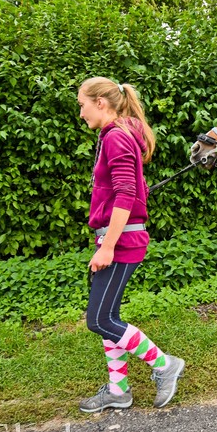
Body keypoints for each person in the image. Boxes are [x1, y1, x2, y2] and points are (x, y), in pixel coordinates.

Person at [77, 76, 184, 412]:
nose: (81, 113)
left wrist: (107, 246)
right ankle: (118, 390)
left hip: (121, 241)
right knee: (108, 316)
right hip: (117, 237)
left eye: (82, 105)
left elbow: (125, 194)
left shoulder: (116, 138)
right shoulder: (119, 135)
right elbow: (130, 188)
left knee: (99, 320)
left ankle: (165, 365)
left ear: (100, 102)